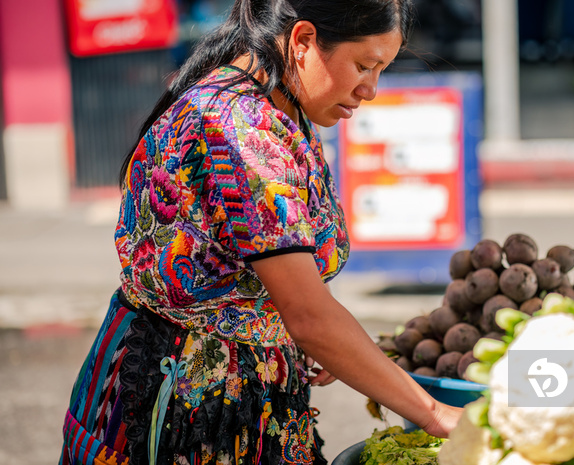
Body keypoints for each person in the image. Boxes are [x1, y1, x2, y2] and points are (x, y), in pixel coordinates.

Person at [60, 1, 463, 464]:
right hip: (182, 405)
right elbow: (309, 316)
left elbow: (280, 290)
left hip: (244, 394)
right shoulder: (240, 128)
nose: (370, 89)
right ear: (304, 41)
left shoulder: (274, 100)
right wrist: (433, 413)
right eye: (364, 66)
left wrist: (293, 333)